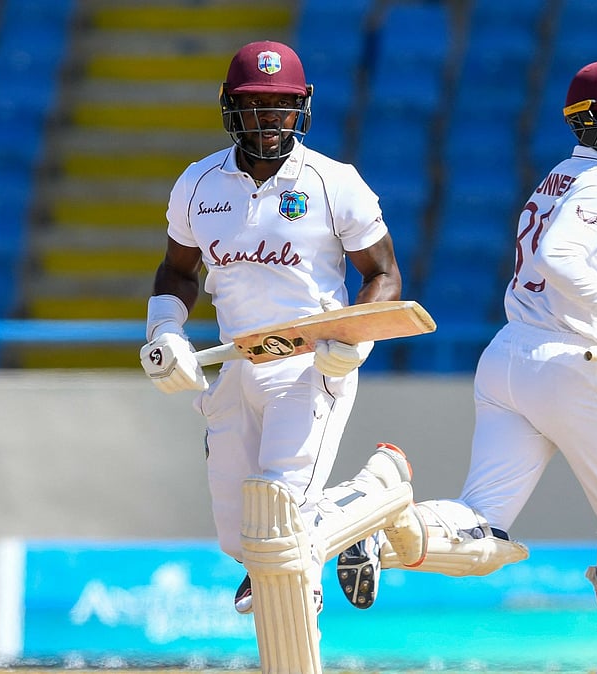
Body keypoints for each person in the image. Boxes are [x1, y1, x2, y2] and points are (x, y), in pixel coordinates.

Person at [340, 60, 597, 674]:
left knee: (483, 523)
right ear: (588, 124)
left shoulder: (560, 177)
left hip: (508, 358)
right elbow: (561, 259)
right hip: (569, 366)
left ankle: (385, 526)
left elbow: (550, 267)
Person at [137, 40, 415, 621]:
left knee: (281, 516)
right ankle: (362, 513)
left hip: (312, 362)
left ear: (302, 107)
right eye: (256, 106)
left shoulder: (335, 182)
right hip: (238, 362)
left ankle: (300, 572)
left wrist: (353, 341)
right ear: (230, 108)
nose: (270, 120)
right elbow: (178, 270)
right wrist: (166, 332)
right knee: (241, 537)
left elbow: (383, 274)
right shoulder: (198, 184)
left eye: (282, 105)